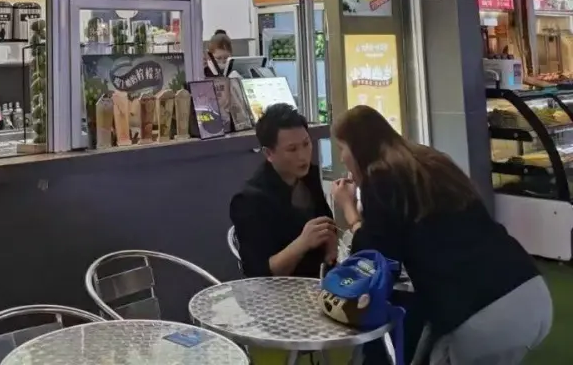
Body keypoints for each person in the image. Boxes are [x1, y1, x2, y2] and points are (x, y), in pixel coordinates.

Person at [331, 106, 552, 365]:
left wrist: (351, 212)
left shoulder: (381, 178)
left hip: (484, 315)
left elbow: (375, 262)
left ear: (357, 149)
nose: (342, 157)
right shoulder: (430, 163)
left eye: (342, 148)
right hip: (529, 290)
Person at [230, 103, 337, 277]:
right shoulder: (249, 200)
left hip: (321, 282)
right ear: (268, 154)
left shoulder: (313, 177)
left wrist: (331, 244)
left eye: (306, 144)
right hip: (279, 296)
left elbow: (328, 229)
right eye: (292, 149)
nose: (303, 155)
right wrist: (302, 243)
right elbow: (259, 275)